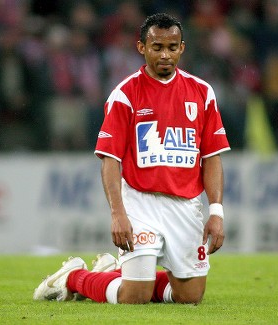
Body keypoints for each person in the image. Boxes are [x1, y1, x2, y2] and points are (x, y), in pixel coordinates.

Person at [33, 12, 230, 305]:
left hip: (186, 206)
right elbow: (110, 159)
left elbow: (211, 157)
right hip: (141, 202)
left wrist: (216, 211)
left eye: (172, 47)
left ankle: (113, 272)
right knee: (134, 296)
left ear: (182, 48)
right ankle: (73, 277)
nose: (165, 54)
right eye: (157, 47)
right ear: (142, 48)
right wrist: (118, 213)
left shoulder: (202, 93)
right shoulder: (125, 95)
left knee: (190, 297)